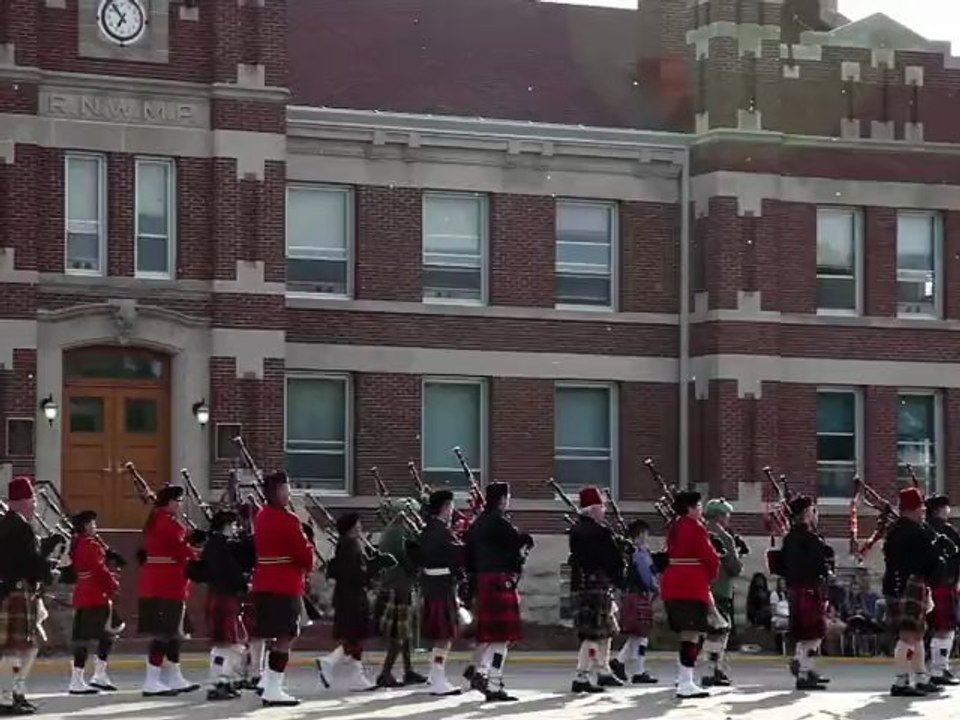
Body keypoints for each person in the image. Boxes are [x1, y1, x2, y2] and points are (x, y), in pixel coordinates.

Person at [463, 481, 534, 702]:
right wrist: (523, 546)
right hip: (500, 581)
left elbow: (468, 556)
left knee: (490, 635)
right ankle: (493, 683)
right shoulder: (501, 524)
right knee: (501, 638)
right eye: (507, 497)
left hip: (482, 581)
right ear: (502, 499)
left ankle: (480, 673)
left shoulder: (477, 524)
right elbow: (515, 550)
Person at [250, 472, 315, 706]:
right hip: (284, 583)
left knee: (275, 634)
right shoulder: (288, 519)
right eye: (285, 490)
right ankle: (273, 688)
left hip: (264, 581)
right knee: (286, 635)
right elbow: (304, 553)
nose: (288, 494)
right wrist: (310, 558)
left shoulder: (261, 515)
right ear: (276, 492)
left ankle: (268, 683)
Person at [0, 476, 63, 714]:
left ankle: (16, 692)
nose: (35, 503)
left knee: (28, 646)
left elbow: (28, 554)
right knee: (14, 649)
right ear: (20, 501)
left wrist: (47, 546)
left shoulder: (14, 524)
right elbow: (28, 561)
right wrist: (48, 570)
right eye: (32, 499)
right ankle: (6, 696)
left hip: (22, 591)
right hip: (16, 591)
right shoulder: (18, 526)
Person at [318, 512, 396, 692]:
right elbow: (356, 574)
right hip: (352, 597)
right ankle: (330, 661)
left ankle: (356, 676)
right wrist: (375, 566)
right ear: (352, 527)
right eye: (358, 523)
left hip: (347, 596)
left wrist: (371, 562)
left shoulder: (345, 544)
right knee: (356, 636)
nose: (361, 526)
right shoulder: (351, 544)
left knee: (356, 636)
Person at [660, 490, 726, 700]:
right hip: (690, 585)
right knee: (692, 634)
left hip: (673, 583)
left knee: (688, 634)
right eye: (698, 506)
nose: (701, 510)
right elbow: (709, 556)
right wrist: (713, 570)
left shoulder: (675, 527)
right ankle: (686, 681)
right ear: (689, 508)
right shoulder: (695, 528)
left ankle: (683, 677)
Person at [137, 485, 201, 698]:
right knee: (164, 634)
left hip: (161, 583)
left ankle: (174, 675)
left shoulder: (158, 520)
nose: (180, 504)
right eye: (178, 500)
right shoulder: (168, 523)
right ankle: (151, 680)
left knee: (173, 634)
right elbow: (180, 550)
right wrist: (198, 552)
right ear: (170, 502)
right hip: (167, 585)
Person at [883, 486, 944, 696]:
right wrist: (938, 552)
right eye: (920, 508)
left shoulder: (895, 531)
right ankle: (901, 682)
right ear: (912, 509)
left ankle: (920, 677)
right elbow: (929, 563)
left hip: (899, 585)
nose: (923, 512)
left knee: (917, 635)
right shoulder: (916, 533)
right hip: (910, 585)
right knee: (909, 636)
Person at [568, 486, 626, 694]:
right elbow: (612, 560)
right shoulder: (599, 532)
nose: (604, 510)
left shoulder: (576, 530)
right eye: (601, 506)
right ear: (593, 509)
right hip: (596, 586)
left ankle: (603, 670)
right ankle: (582, 675)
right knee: (593, 633)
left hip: (583, 585)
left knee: (605, 631)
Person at [201, 509, 255, 701]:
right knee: (229, 645)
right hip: (225, 598)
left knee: (223, 644)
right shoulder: (221, 546)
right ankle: (220, 681)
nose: (236, 528)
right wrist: (244, 584)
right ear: (225, 526)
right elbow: (231, 572)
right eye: (233, 525)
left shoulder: (213, 545)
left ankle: (219, 681)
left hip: (217, 596)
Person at [67, 510, 122, 696]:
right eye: (92, 524)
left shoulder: (79, 543)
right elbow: (99, 570)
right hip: (96, 595)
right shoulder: (90, 545)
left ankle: (97, 675)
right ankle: (80, 679)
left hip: (86, 593)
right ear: (85, 527)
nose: (95, 527)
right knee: (100, 635)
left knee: (103, 635)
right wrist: (113, 583)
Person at [780, 495, 832, 690]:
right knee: (813, 632)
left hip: (795, 588)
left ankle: (805, 667)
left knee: (805, 633)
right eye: (813, 511)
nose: (815, 515)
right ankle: (803, 671)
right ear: (805, 515)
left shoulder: (790, 538)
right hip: (809, 588)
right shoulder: (809, 539)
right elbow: (818, 566)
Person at [372, 503, 426, 688]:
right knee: (399, 633)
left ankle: (408, 670)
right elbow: (406, 559)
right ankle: (385, 673)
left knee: (406, 633)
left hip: (398, 584)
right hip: (399, 586)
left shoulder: (392, 531)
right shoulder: (397, 534)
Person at [418, 489, 464, 696]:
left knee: (441, 634)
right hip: (442, 586)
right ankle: (437, 677)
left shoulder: (428, 529)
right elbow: (453, 559)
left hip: (432, 585)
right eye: (451, 506)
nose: (453, 511)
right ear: (445, 507)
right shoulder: (441, 531)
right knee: (444, 636)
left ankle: (434, 675)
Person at [610, 519, 658, 685]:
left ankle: (634, 668)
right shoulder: (639, 553)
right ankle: (627, 666)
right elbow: (646, 575)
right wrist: (655, 586)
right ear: (640, 534)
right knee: (640, 635)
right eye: (645, 533)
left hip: (631, 594)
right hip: (639, 594)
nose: (647, 537)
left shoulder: (629, 552)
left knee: (639, 636)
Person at [701, 498, 744, 687]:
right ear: (719, 516)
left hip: (702, 587)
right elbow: (734, 567)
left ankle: (710, 668)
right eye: (726, 515)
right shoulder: (724, 537)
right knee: (720, 630)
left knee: (704, 631)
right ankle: (714, 669)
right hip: (720, 588)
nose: (728, 518)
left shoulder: (700, 533)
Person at [924, 495, 960, 685]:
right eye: (945, 507)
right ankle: (938, 670)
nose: (948, 510)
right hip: (944, 584)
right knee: (944, 627)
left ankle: (941, 667)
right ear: (938, 510)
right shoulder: (946, 531)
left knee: (940, 628)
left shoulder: (924, 529)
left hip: (931, 584)